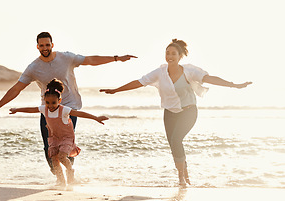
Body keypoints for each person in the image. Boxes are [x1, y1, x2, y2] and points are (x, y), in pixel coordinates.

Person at [100, 39, 252, 187]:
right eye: (167, 53)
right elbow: (139, 82)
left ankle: (181, 178)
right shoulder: (160, 72)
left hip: (189, 112)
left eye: (173, 54)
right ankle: (183, 173)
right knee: (173, 144)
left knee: (176, 139)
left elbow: (210, 79)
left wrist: (234, 85)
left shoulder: (189, 71)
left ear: (180, 56)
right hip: (170, 113)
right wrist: (115, 90)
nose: (170, 56)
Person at [0, 32, 136, 174]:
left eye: (47, 45)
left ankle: (69, 171)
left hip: (69, 106)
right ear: (37, 47)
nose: (45, 48)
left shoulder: (66, 58)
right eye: (42, 45)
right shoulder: (33, 68)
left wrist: (116, 58)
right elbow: (16, 89)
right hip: (48, 109)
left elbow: (90, 60)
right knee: (49, 147)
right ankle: (58, 175)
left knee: (66, 143)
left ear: (52, 45)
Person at [9, 79, 108, 187]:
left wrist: (96, 118)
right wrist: (17, 109)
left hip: (67, 138)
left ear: (59, 100)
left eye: (53, 103)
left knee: (62, 157)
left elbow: (79, 113)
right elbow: (31, 109)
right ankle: (61, 181)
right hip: (54, 138)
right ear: (44, 100)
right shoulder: (44, 109)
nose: (50, 105)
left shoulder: (64, 110)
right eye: (47, 102)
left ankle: (70, 170)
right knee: (54, 160)